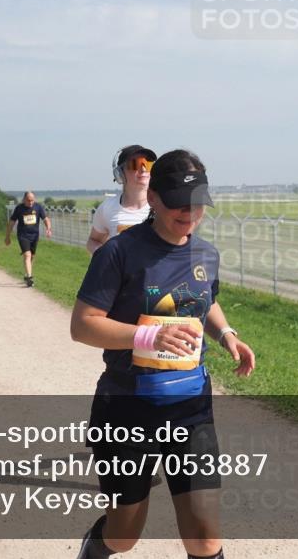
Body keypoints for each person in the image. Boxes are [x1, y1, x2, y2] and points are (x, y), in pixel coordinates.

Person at [71, 149, 255, 559]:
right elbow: (83, 325)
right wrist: (146, 337)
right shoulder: (118, 253)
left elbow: (203, 301)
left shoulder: (206, 254)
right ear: (152, 197)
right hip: (125, 407)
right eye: (176, 203)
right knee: (124, 534)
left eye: (197, 204)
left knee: (205, 536)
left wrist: (226, 334)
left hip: (190, 407)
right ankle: (95, 547)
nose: (188, 213)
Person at [86, 145, 157, 255]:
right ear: (120, 173)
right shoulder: (107, 208)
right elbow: (93, 241)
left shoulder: (163, 206)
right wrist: (105, 256)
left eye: (148, 164)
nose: (143, 169)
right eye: (135, 164)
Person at [4, 191, 52, 287]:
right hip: (23, 235)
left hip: (34, 236)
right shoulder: (19, 208)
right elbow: (12, 222)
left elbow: (46, 219)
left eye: (32, 200)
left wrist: (48, 229)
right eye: (29, 200)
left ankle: (27, 274)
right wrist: (7, 236)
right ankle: (30, 277)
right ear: (24, 199)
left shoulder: (38, 207)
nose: (31, 202)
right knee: (27, 255)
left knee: (32, 256)